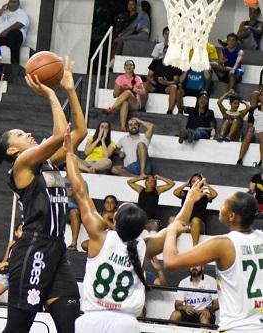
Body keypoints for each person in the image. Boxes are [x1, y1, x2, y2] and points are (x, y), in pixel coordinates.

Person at [0, 58, 86, 333]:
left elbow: (80, 133)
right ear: (13, 151)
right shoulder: (22, 166)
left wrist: (70, 90)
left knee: (70, 324)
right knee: (18, 329)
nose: (27, 133)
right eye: (19, 135)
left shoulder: (48, 163)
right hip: (34, 248)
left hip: (57, 248)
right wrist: (51, 93)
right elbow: (60, 133)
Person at [63, 126, 189, 333]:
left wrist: (70, 154)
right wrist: (190, 199)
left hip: (91, 319)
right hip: (125, 323)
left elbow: (79, 191)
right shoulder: (144, 247)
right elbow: (177, 224)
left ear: (116, 222)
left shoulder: (100, 237)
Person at [164, 185, 263, 332]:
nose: (220, 207)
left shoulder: (222, 244)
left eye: (224, 205)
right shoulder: (260, 237)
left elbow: (170, 261)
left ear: (231, 216)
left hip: (236, 328)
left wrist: (171, 231)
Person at [173, 173, 218, 246]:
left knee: (195, 220)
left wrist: (206, 184)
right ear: (190, 183)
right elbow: (175, 192)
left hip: (199, 225)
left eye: (198, 181)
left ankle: (195, 247)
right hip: (186, 225)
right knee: (173, 219)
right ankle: (172, 247)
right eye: (193, 181)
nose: (196, 183)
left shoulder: (204, 195)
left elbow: (214, 194)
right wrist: (185, 184)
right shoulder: (186, 193)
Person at [0, 223, 23, 302]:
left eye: (25, 230)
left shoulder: (29, 245)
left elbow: (23, 261)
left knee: (16, 302)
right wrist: (1, 265)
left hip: (21, 276)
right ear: (16, 233)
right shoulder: (12, 243)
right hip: (8, 274)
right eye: (20, 230)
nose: (23, 232)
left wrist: (6, 264)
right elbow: (6, 259)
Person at [107, 59, 146, 131]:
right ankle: (123, 127)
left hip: (135, 104)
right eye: (127, 65)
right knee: (125, 102)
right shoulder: (120, 78)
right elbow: (114, 95)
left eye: (131, 65)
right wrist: (121, 89)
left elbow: (143, 92)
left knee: (128, 92)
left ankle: (112, 108)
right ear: (124, 68)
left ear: (133, 68)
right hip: (121, 103)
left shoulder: (137, 78)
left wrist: (131, 88)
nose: (129, 66)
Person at [0, 0, 30, 65]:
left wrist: (6, 31)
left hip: (13, 37)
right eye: (10, 2)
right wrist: (1, 9)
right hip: (1, 38)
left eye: (14, 2)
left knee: (15, 33)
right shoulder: (3, 12)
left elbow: (20, 24)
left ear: (18, 4)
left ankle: (14, 65)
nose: (12, 4)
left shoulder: (21, 12)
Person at [144, 46, 181, 114]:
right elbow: (149, 76)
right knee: (144, 84)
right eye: (165, 52)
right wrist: (153, 81)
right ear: (163, 53)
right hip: (155, 85)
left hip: (167, 87)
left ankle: (169, 110)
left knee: (174, 87)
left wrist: (167, 82)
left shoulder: (174, 65)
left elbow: (176, 80)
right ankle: (142, 107)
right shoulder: (156, 62)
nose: (166, 53)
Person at [237, 87, 263, 165]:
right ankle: (240, 160)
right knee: (249, 133)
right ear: (259, 97)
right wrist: (252, 129)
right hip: (256, 132)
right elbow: (250, 125)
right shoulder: (253, 109)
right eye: (262, 95)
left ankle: (261, 161)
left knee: (262, 135)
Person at [65, 178, 88, 250]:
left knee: (74, 212)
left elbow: (85, 202)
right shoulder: (59, 180)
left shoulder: (82, 182)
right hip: (61, 209)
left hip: (74, 211)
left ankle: (73, 243)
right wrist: (64, 194)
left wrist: (75, 195)